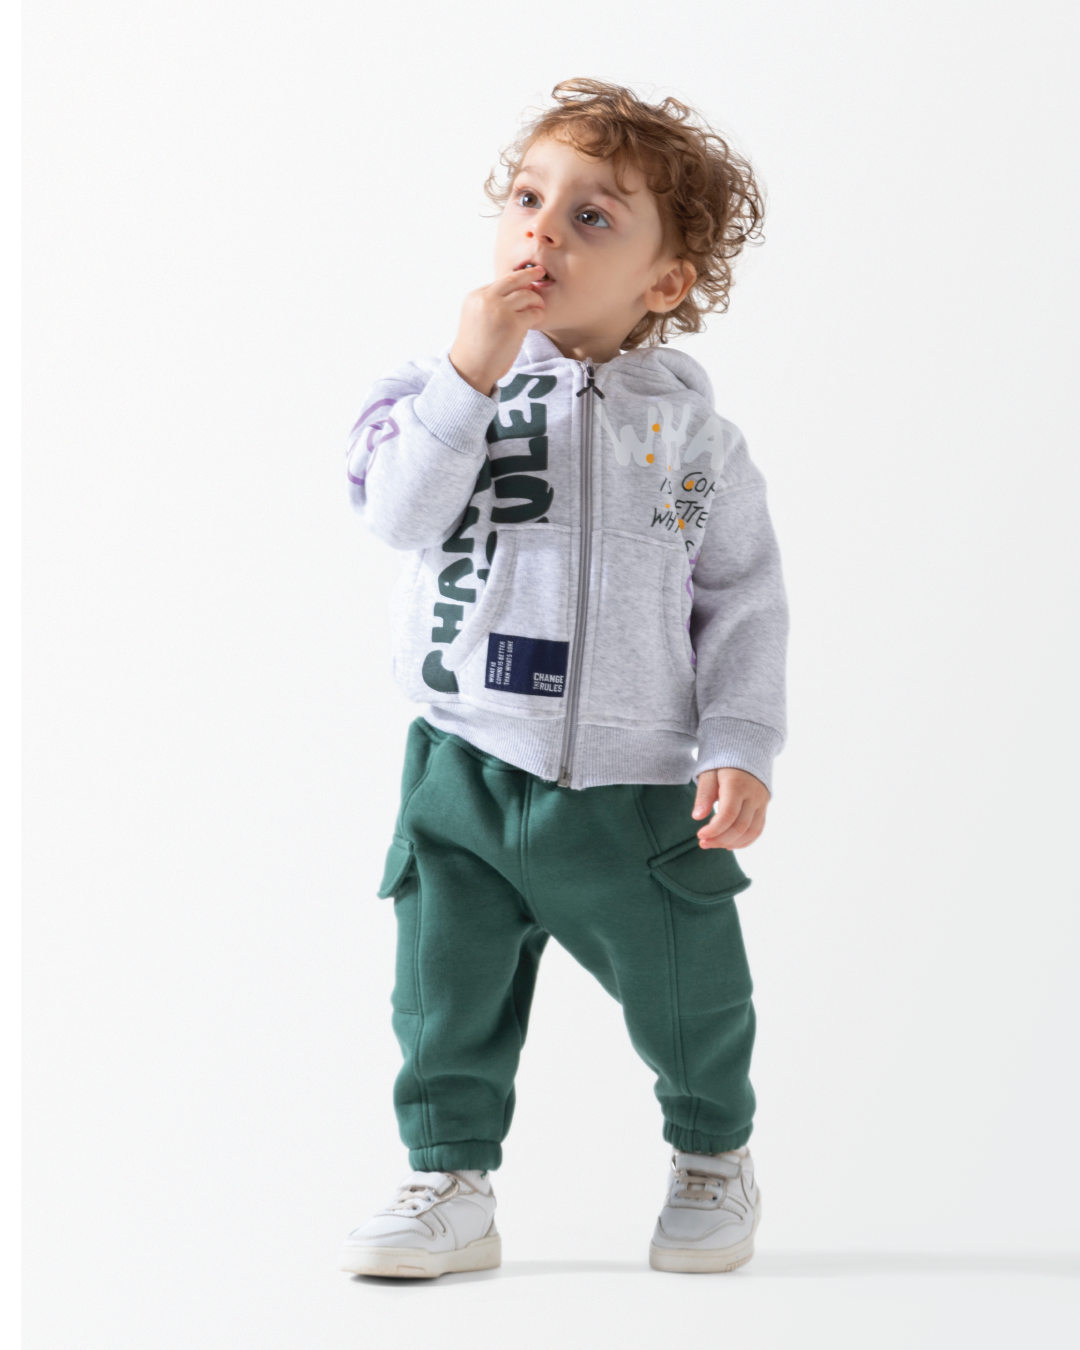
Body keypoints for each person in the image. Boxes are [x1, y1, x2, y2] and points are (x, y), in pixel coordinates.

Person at [340, 78, 787, 1278]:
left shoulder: (692, 448)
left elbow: (736, 595)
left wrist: (740, 742)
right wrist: (467, 379)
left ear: (665, 282)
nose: (542, 231)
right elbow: (398, 518)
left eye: (593, 217)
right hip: (466, 763)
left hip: (638, 790)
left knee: (693, 991)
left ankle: (712, 1155)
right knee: (442, 991)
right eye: (528, 200)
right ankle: (450, 1181)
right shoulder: (430, 398)